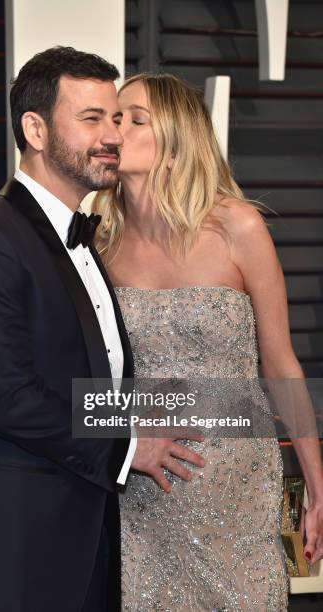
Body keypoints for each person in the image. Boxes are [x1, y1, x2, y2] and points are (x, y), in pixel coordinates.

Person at [0, 49, 206, 612]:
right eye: (92, 119)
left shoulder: (79, 238)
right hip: (2, 547)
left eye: (117, 119)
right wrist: (129, 443)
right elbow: (8, 398)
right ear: (36, 129)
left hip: (81, 535)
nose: (112, 136)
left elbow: (73, 372)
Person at [92, 73, 323, 611]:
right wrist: (119, 429)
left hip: (236, 487)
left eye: (132, 117)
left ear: (174, 139)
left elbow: (281, 363)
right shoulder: (97, 244)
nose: (115, 126)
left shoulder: (236, 227)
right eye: (110, 115)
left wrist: (316, 481)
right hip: (145, 489)